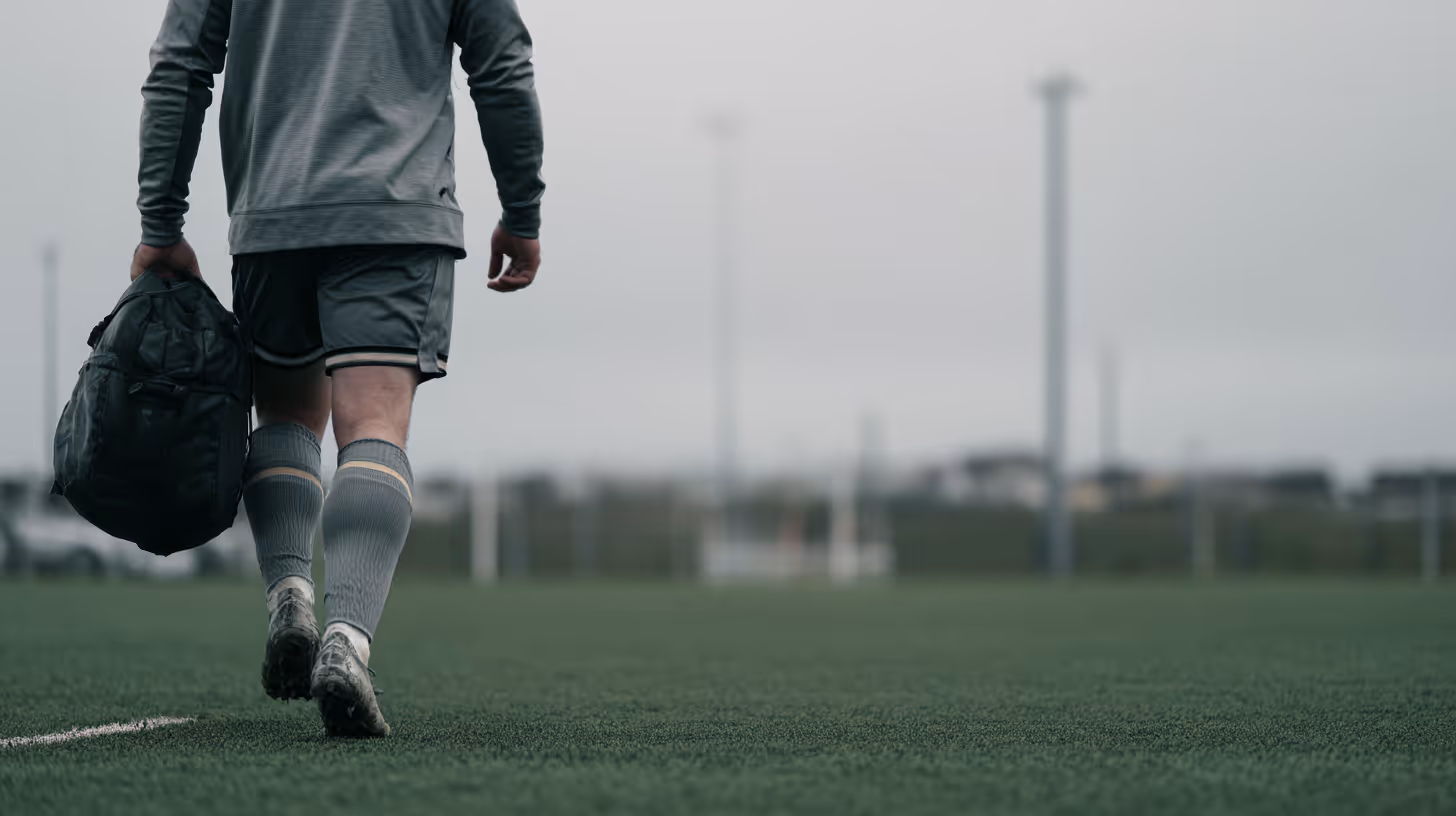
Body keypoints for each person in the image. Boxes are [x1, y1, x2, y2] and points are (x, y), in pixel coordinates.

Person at [130, 0, 545, 737]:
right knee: (374, 423)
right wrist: (523, 212)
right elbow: (502, 65)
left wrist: (160, 224)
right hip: (396, 213)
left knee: (286, 415)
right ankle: (346, 642)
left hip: (273, 217)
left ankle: (290, 593)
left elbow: (178, 66)